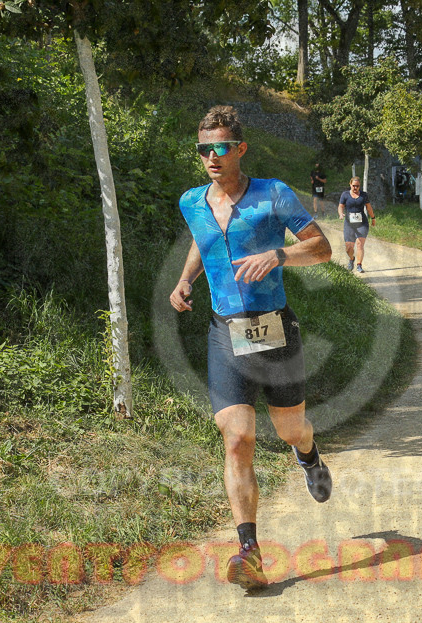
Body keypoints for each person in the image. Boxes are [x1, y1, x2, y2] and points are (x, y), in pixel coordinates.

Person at [170, 106, 334, 591]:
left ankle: (308, 453)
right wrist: (183, 280)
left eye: (221, 147)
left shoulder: (273, 194)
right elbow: (204, 241)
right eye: (204, 149)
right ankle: (249, 551)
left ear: (240, 149)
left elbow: (322, 247)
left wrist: (278, 253)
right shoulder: (192, 202)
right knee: (237, 438)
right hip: (225, 331)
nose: (212, 157)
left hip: (274, 327)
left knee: (288, 428)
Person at [338, 176, 376, 273]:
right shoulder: (345, 195)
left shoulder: (364, 195)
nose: (355, 188)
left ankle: (359, 265)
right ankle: (351, 259)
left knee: (359, 245)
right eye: (354, 186)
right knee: (349, 247)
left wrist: (373, 218)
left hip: (362, 223)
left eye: (357, 186)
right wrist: (341, 213)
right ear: (350, 184)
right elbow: (340, 206)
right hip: (349, 224)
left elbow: (369, 207)